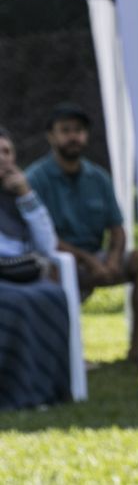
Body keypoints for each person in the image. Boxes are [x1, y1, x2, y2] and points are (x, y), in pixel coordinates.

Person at [26, 102, 138, 361]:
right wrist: (89, 261)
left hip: (96, 257)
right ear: (51, 136)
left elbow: (117, 229)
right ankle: (70, 355)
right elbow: (42, 237)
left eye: (78, 130)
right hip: (56, 258)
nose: (73, 137)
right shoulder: (36, 178)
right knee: (53, 271)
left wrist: (112, 260)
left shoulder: (98, 177)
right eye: (65, 130)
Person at [0, 126, 71, 410]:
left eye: (6, 152)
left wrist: (27, 195)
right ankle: (14, 391)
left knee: (53, 296)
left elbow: (47, 245)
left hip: (17, 272)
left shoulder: (19, 195)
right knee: (16, 303)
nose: (3, 159)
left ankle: (44, 388)